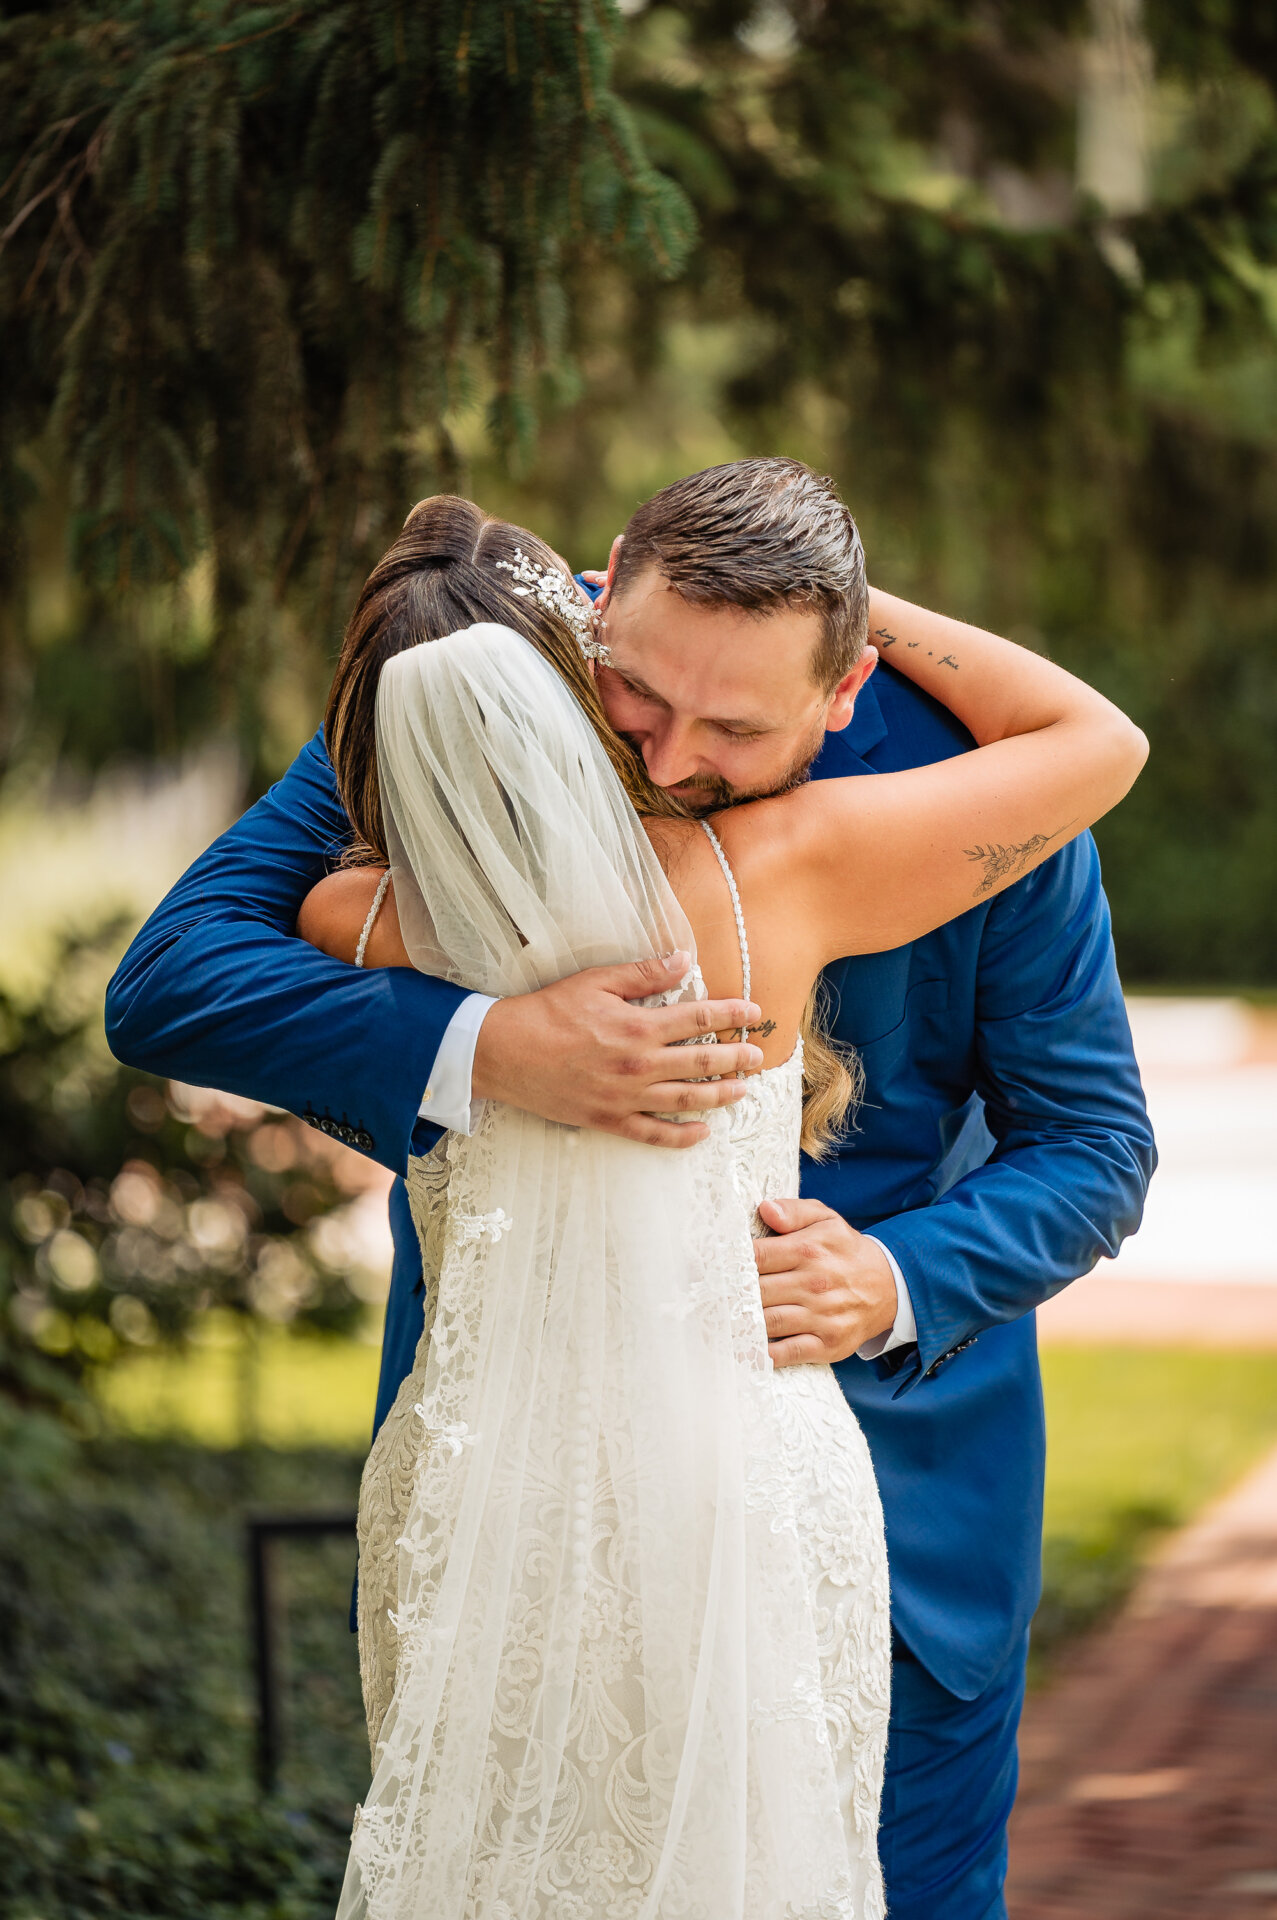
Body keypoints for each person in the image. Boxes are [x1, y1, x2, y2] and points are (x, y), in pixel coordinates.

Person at [105, 459, 1157, 1919]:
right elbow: (181, 979)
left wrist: (893, 1280)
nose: (665, 763)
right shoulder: (483, 698)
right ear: (601, 605)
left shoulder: (976, 790)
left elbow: (1094, 1145)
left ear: (844, 682)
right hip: (525, 1500)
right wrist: (487, 1048)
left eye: (734, 725)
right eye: (638, 704)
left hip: (894, 1530)